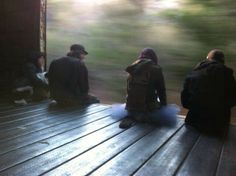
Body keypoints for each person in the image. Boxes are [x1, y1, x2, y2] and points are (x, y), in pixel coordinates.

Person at [119, 48, 178, 128]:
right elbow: (161, 90)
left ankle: (131, 116)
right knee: (164, 106)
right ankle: (141, 116)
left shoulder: (133, 67)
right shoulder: (156, 69)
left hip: (130, 107)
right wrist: (164, 108)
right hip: (147, 110)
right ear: (154, 57)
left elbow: (129, 89)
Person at [181, 49, 236, 134]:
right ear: (222, 61)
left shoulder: (195, 72)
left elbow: (184, 100)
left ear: (208, 58)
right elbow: (233, 99)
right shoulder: (228, 75)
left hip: (193, 123)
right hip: (218, 127)